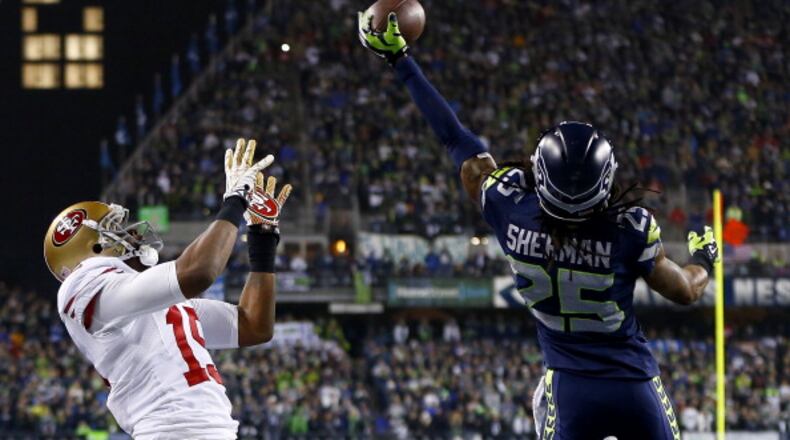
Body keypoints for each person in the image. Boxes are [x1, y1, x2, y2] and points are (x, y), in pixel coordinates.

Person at [359, 12, 720, 440]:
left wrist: (401, 61)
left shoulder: (509, 205)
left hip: (568, 387)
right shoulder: (630, 229)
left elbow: (455, 139)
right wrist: (705, 259)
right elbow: (685, 291)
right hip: (633, 383)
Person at [43, 139, 292, 439]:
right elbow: (199, 272)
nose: (128, 232)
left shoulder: (146, 303)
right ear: (92, 247)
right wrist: (235, 200)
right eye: (113, 229)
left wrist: (262, 241)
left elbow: (253, 326)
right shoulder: (82, 287)